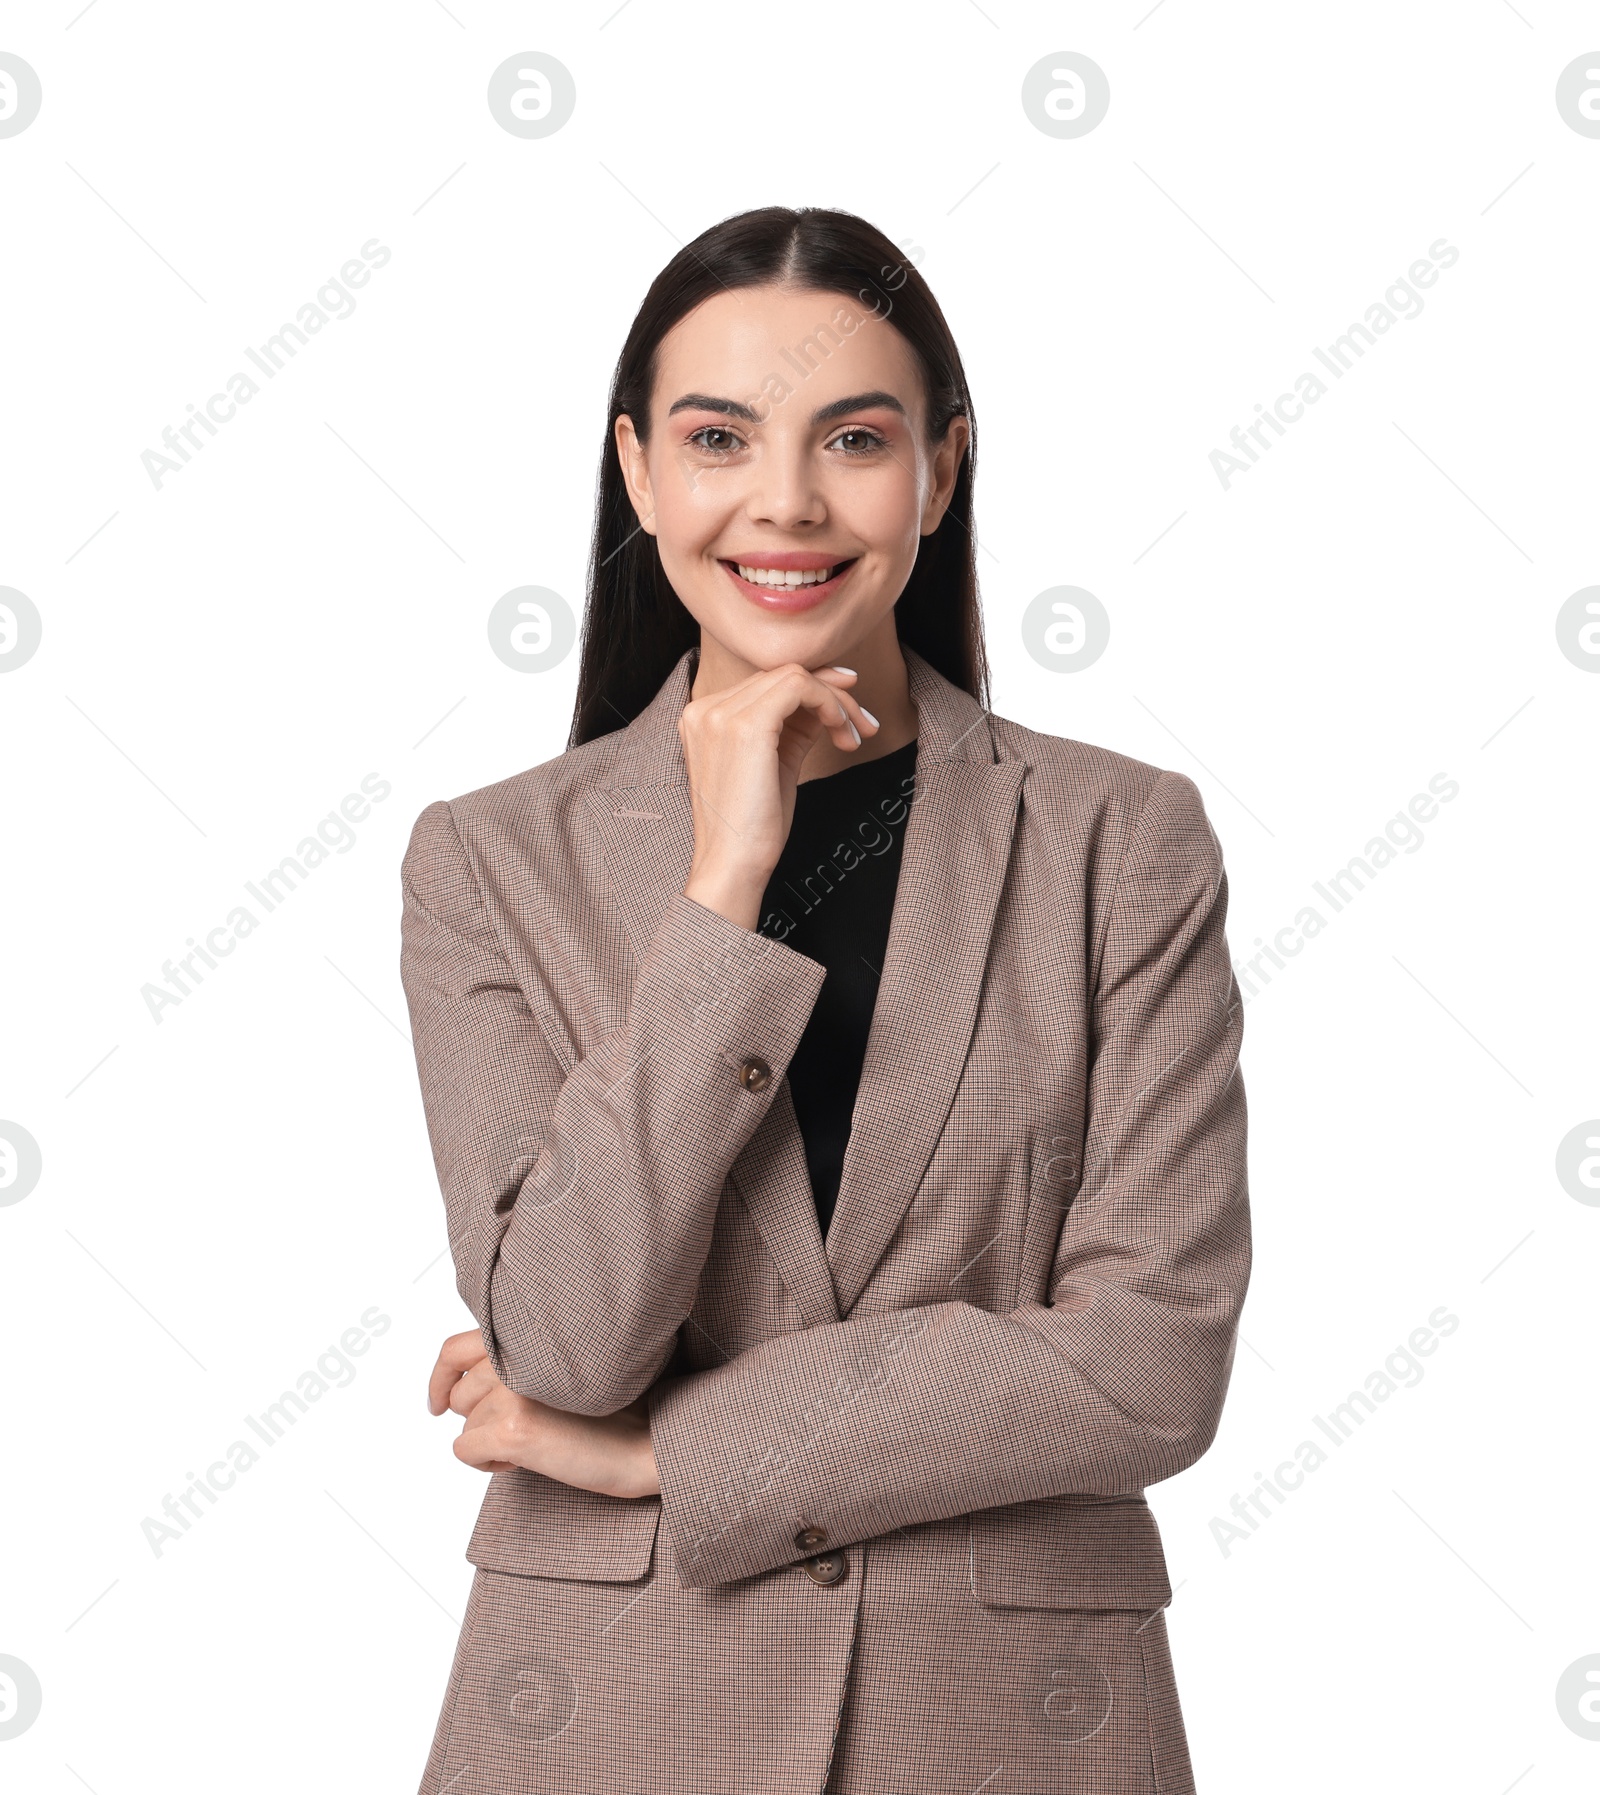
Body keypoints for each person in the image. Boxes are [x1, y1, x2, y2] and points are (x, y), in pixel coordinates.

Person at [399, 204, 1250, 1794]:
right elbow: (567, 1343)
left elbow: (1152, 1358)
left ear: (942, 466)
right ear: (641, 471)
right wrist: (723, 883)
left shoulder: (1119, 843)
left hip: (1004, 1723)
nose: (784, 502)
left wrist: (671, 1456)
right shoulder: (490, 859)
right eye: (719, 438)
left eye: (853, 438)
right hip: (610, 1714)